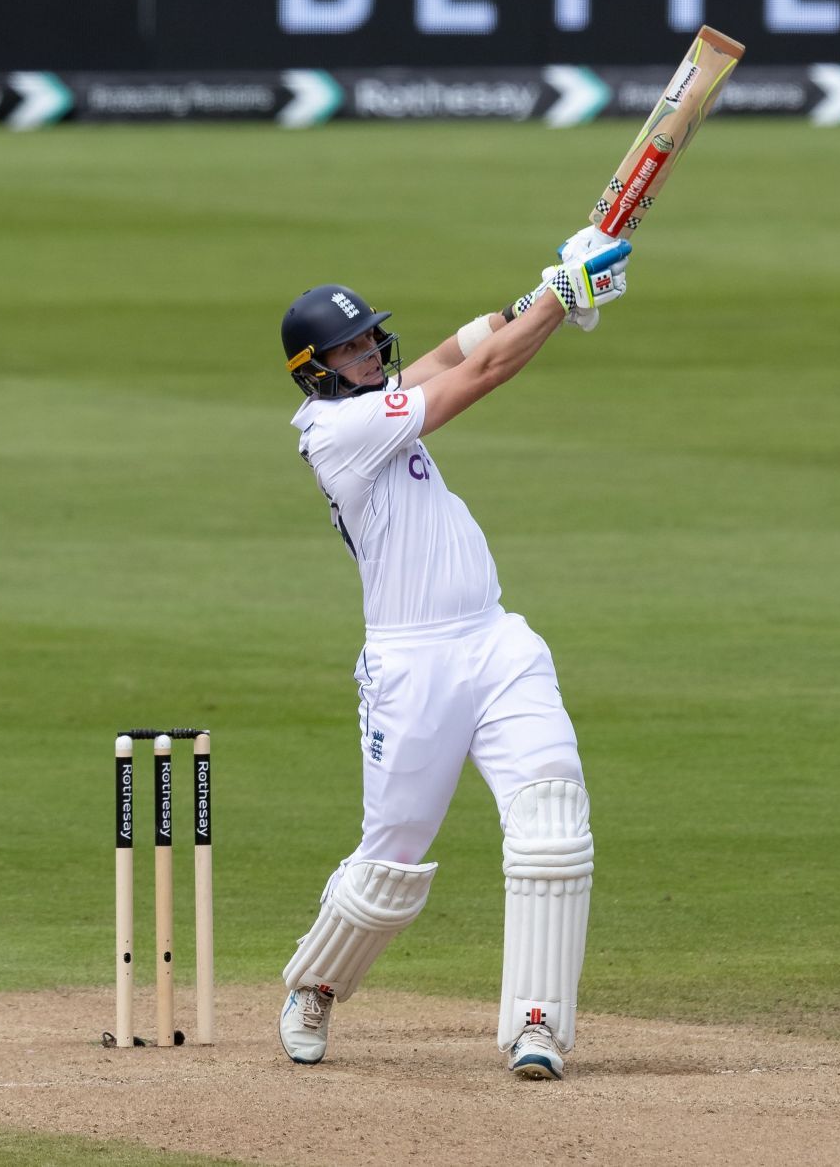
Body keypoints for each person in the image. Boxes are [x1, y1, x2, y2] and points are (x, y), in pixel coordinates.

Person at [275, 228, 631, 1081]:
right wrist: (563, 298)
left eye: (369, 338)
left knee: (552, 825)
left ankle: (536, 1023)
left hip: (497, 640)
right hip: (412, 668)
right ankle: (314, 984)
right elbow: (481, 374)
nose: (369, 353)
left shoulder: (378, 398)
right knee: (392, 864)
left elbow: (452, 350)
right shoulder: (338, 431)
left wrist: (546, 296)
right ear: (315, 369)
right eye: (349, 347)